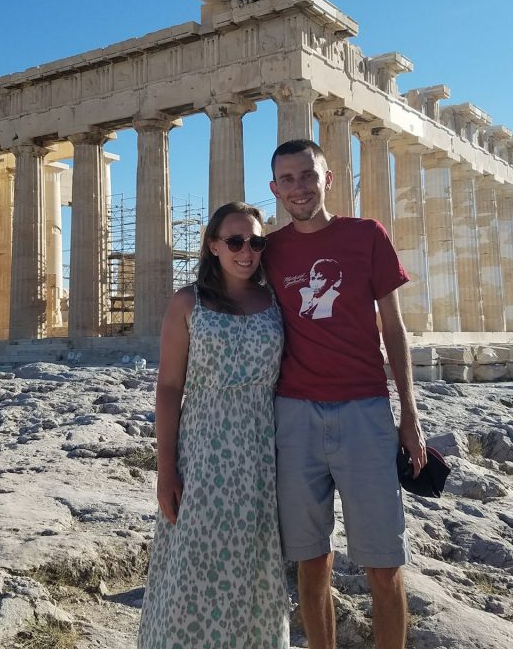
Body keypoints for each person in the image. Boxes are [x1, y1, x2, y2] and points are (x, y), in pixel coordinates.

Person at [264, 139, 426, 649]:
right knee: (311, 563)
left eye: (308, 176)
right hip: (293, 415)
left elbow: (394, 329)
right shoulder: (269, 250)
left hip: (365, 412)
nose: (299, 188)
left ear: (327, 179)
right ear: (274, 188)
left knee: (383, 563)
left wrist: (410, 415)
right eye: (287, 180)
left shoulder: (366, 236)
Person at [138, 202, 289, 649]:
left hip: (263, 458)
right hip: (203, 455)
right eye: (235, 241)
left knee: (255, 567)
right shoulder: (189, 302)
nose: (247, 251)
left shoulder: (277, 299)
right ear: (213, 245)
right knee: (193, 566)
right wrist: (166, 470)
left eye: (256, 242)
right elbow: (168, 387)